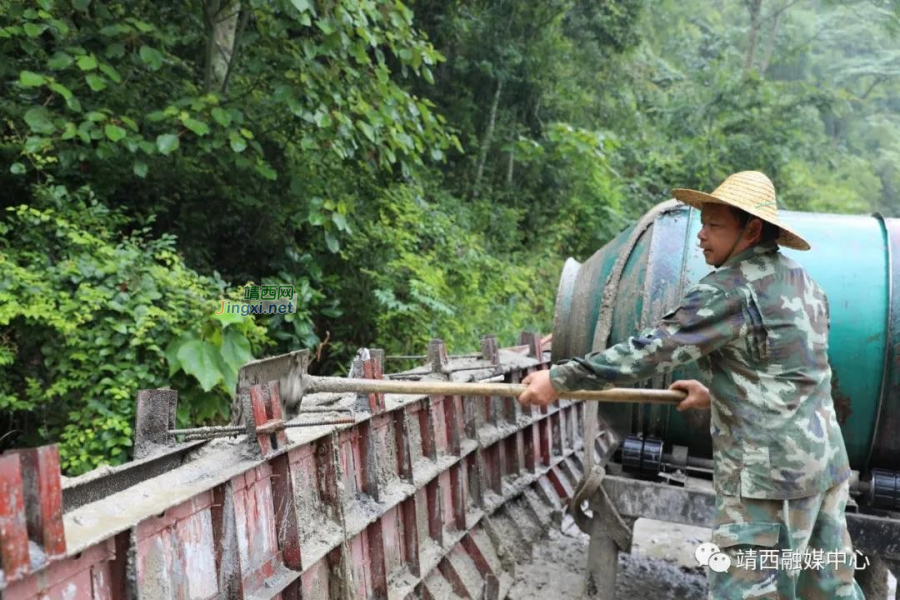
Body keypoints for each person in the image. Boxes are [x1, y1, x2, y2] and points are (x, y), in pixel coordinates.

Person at [518, 171, 865, 599]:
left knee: (747, 591)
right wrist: (716, 395)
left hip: (769, 478)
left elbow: (651, 351)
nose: (701, 236)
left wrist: (559, 379)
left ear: (751, 229)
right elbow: (790, 376)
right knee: (829, 588)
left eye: (715, 226)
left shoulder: (729, 290)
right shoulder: (804, 283)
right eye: (702, 223)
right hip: (826, 466)